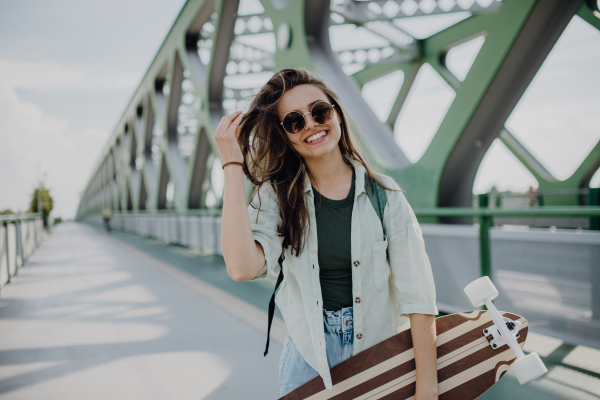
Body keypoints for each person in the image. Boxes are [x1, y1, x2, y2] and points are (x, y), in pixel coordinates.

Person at [214, 68, 438, 399]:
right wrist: (232, 166)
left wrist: (427, 389)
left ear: (336, 112)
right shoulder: (276, 197)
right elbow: (242, 268)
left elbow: (419, 298)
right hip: (308, 359)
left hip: (378, 354)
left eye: (320, 111)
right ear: (285, 134)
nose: (311, 125)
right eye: (294, 121)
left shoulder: (385, 195)